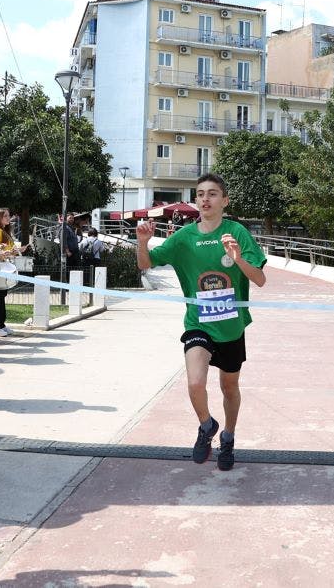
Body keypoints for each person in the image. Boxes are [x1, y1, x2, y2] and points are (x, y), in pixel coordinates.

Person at [136, 173, 266, 471]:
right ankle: (206, 426)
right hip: (198, 323)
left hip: (232, 326)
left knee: (229, 388)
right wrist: (142, 242)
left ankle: (228, 438)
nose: (205, 199)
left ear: (225, 200)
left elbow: (259, 279)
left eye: (212, 194)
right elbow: (145, 264)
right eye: (200, 194)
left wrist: (237, 257)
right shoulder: (184, 237)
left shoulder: (237, 232)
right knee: (195, 382)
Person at [0, 207, 27, 337]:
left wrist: (16, 251)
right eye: (6, 216)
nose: (8, 218)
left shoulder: (4, 231)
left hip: (5, 268)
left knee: (1, 297)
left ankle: (1, 325)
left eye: (8, 216)